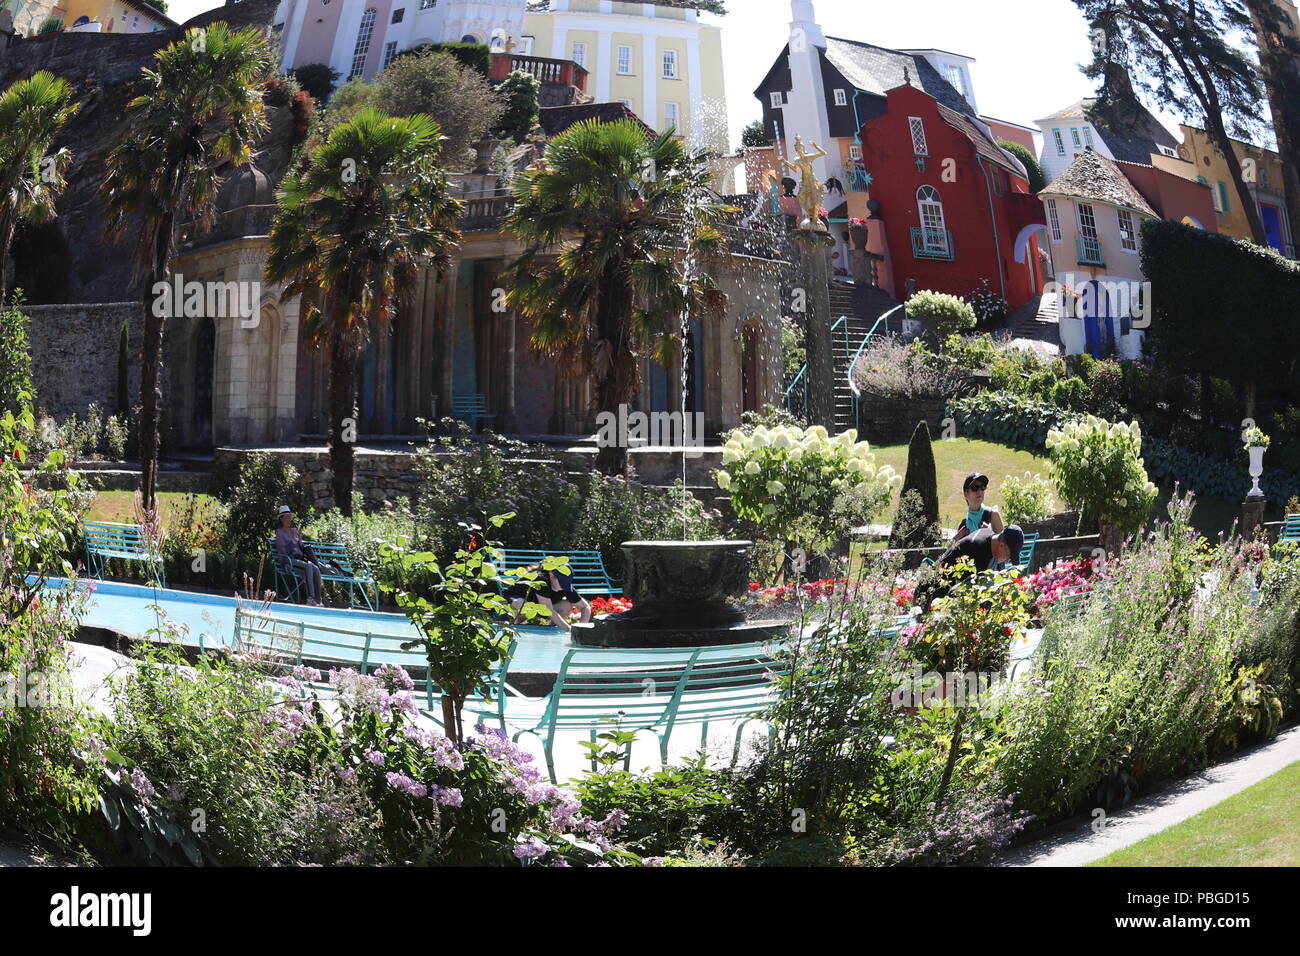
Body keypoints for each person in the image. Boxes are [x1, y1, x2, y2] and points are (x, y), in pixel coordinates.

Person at [274, 505, 325, 606]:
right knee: (309, 566)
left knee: (315, 568)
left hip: (299, 562)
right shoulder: (279, 532)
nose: (289, 520)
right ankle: (310, 598)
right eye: (286, 517)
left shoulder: (293, 531)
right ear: (281, 519)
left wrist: (299, 540)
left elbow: (300, 549)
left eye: (290, 517)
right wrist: (293, 541)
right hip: (288, 562)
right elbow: (284, 551)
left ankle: (318, 600)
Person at [953, 472, 1004, 542]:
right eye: (975, 488)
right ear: (966, 494)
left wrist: (990, 533)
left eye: (982, 487)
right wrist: (954, 541)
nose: (979, 491)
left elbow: (1004, 546)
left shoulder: (992, 515)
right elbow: (954, 551)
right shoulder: (964, 525)